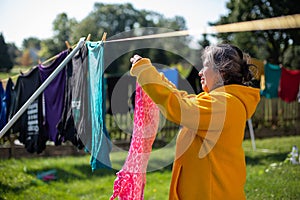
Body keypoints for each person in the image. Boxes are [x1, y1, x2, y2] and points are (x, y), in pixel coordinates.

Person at [129, 43, 260, 200]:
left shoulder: (224, 104)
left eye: (205, 67)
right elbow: (182, 98)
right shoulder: (219, 101)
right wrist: (151, 74)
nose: (200, 73)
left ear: (222, 73)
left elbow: (179, 106)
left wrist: (144, 71)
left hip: (214, 194)